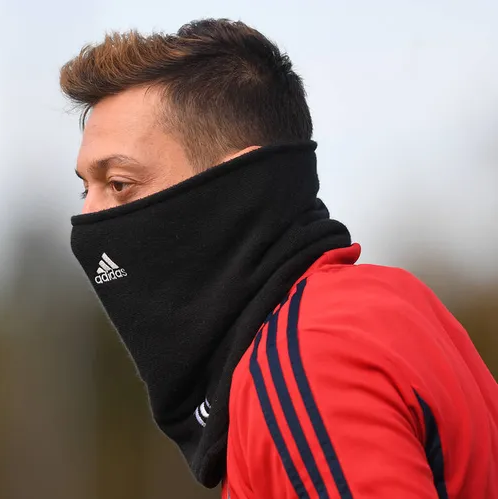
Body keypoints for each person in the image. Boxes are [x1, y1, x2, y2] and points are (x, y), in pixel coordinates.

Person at [60, 18, 498, 498]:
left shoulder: (308, 359)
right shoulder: (383, 305)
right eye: (85, 189)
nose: (88, 220)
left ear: (234, 191)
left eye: (119, 184)